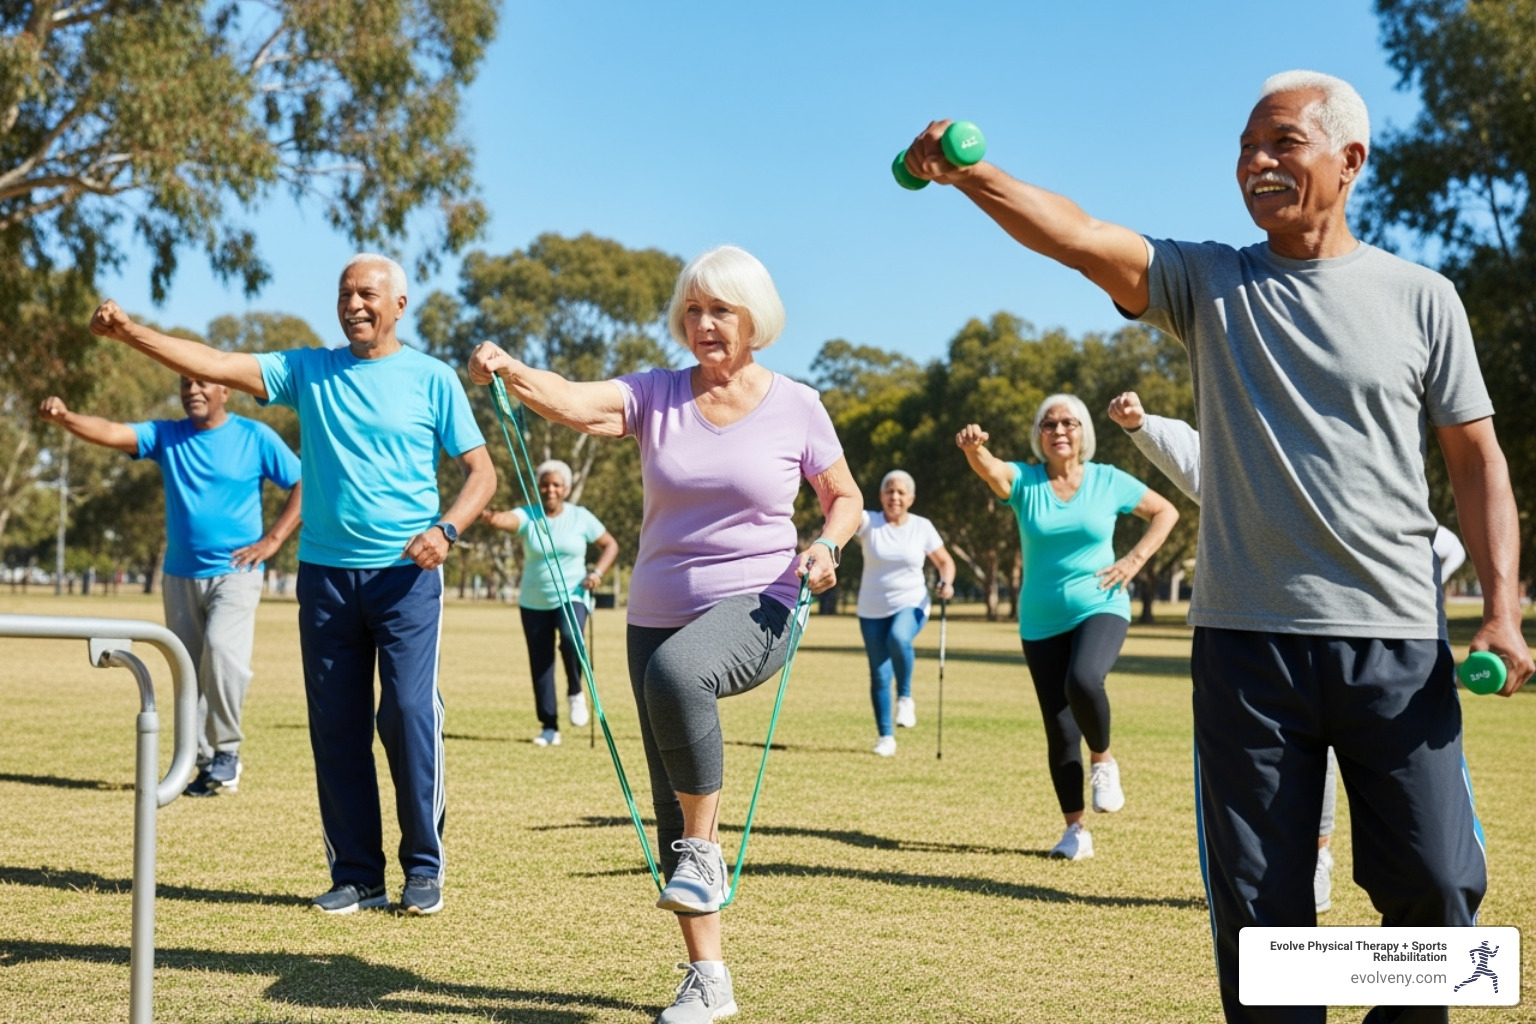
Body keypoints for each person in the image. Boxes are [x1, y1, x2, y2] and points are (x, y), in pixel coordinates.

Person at [903, 68, 1532, 1024]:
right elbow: (1080, 237)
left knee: (1440, 894)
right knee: (1261, 920)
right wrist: (971, 177)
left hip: (1395, 643)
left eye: (1282, 143)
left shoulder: (1423, 297)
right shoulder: (1210, 282)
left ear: (1350, 160)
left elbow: (1477, 460)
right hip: (1248, 648)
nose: (1256, 163)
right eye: (1245, 148)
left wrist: (1501, 608)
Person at [469, 244, 860, 1024]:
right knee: (670, 804)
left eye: (720, 310)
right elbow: (573, 403)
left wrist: (827, 544)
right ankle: (709, 979)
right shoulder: (655, 395)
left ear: (754, 318)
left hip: (762, 603)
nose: (704, 324)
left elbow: (842, 495)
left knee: (681, 677)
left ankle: (706, 854)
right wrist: (510, 369)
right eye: (692, 310)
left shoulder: (797, 405)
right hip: (655, 610)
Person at [88, 253, 496, 918]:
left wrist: (446, 530)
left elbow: (482, 473)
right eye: (345, 293)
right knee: (336, 726)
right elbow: (216, 362)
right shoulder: (307, 370)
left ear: (399, 305)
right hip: (327, 578)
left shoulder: (432, 378)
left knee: (408, 713)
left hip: (406, 578)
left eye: (368, 294)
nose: (354, 304)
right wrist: (131, 333)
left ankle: (424, 867)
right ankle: (358, 877)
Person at [1105, 391, 1471, 912]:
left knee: (1431, 859)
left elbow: (1445, 546)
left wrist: (1410, 602)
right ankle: (1317, 858)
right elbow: (1199, 459)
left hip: (1377, 647)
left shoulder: (1360, 468)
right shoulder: (1250, 464)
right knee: (1291, 793)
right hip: (1267, 643)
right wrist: (1142, 426)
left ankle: (1398, 916)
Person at [38, 379, 301, 797]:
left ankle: (227, 751)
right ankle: (201, 763)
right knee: (187, 669)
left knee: (222, 653)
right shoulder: (166, 435)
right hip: (179, 574)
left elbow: (304, 482)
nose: (192, 389)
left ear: (225, 391)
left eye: (202, 382)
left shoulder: (255, 437)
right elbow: (111, 432)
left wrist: (272, 540)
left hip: (236, 572)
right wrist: (66, 418)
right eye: (185, 382)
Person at [955, 395, 1178, 860]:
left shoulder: (1108, 480)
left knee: (1084, 679)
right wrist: (975, 450)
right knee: (1059, 726)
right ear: (1039, 434)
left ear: (1083, 432)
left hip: (1101, 603)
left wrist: (1134, 561)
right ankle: (1074, 831)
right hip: (1040, 620)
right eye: (1049, 424)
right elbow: (992, 470)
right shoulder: (1025, 480)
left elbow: (1166, 511)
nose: (1059, 430)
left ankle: (1103, 758)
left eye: (1069, 423)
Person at [481, 458, 619, 746]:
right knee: (541, 662)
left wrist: (597, 573)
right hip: (534, 601)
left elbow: (610, 544)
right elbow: (507, 520)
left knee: (571, 637)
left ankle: (575, 690)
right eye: (545, 485)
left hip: (573, 594)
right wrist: (489, 516)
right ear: (538, 487)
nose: (550, 490)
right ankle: (549, 727)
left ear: (566, 488)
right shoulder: (528, 515)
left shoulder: (581, 517)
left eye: (556, 485)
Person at [851, 469, 956, 756]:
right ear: (881, 496)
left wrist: (947, 582)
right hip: (871, 608)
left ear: (911, 498)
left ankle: (906, 697)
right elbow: (845, 515)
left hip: (912, 602)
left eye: (900, 492)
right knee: (879, 674)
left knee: (899, 638)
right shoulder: (869, 522)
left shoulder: (922, 527)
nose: (894, 497)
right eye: (889, 491)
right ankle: (886, 737)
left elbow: (945, 562)